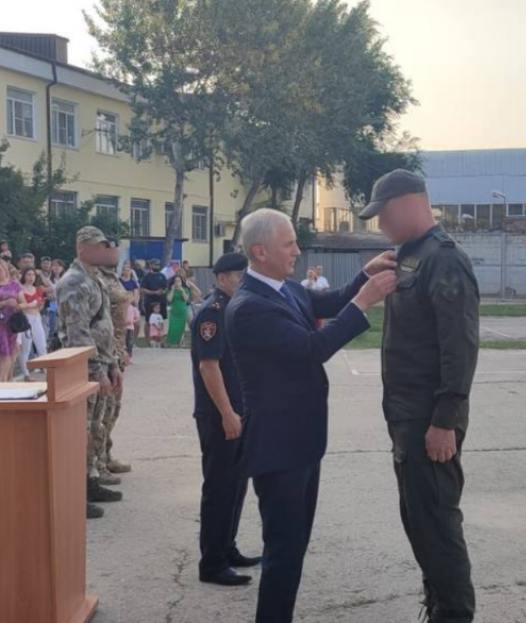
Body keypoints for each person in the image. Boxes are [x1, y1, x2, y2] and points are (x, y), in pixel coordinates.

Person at [225, 209, 397, 623]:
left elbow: (326, 300)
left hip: (300, 441)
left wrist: (362, 276)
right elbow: (311, 348)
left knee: (293, 545)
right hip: (279, 446)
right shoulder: (250, 305)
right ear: (259, 251)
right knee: (283, 551)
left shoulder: (282, 288)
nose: (298, 251)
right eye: (289, 244)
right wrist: (365, 301)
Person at [359, 169, 479, 623]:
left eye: (384, 214)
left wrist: (445, 420)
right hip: (407, 418)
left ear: (412, 203)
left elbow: (459, 345)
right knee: (421, 524)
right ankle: (438, 606)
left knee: (438, 526)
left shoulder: (443, 259)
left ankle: (453, 614)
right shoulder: (408, 256)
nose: (380, 224)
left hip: (430, 420)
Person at [192, 252, 262, 587]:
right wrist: (227, 413)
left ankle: (227, 547)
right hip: (220, 413)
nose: (243, 282)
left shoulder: (233, 308)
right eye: (238, 277)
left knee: (236, 484)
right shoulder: (213, 312)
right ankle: (213, 563)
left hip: (238, 409)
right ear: (221, 278)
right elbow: (209, 367)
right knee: (220, 487)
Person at [56, 226, 123, 519]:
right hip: (82, 368)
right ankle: (75, 490)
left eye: (104, 245)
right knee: (80, 430)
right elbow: (78, 331)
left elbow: (104, 325)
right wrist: (97, 370)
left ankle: (91, 479)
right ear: (81, 247)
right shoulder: (73, 281)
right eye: (97, 246)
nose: (101, 250)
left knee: (96, 425)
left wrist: (113, 363)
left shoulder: (94, 278)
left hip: (102, 362)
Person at [96, 238, 133, 484]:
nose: (117, 251)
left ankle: (106, 454)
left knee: (113, 408)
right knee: (101, 410)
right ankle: (96, 464)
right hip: (103, 352)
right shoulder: (93, 278)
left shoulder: (112, 276)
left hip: (117, 349)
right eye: (111, 248)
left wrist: (122, 348)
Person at [0, 259, 23, 382]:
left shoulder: (15, 284)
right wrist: (5, 303)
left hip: (12, 323)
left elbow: (23, 302)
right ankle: (1, 381)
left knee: (12, 352)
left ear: (6, 270)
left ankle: (6, 380)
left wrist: (20, 306)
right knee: (4, 352)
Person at [17, 268, 47, 382]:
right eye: (28, 274)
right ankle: (26, 373)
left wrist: (35, 305)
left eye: (33, 275)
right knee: (26, 348)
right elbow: (22, 304)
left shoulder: (37, 289)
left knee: (42, 345)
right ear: (24, 276)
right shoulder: (20, 288)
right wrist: (32, 304)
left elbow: (40, 305)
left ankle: (46, 369)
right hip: (26, 318)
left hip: (37, 317)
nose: (31, 277)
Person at [140, 259, 168, 342]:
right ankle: (148, 340)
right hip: (150, 301)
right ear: (151, 265)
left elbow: (166, 287)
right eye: (155, 265)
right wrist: (153, 292)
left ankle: (159, 339)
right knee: (148, 320)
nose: (157, 266)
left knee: (160, 320)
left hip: (161, 301)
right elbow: (142, 289)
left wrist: (163, 291)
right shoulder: (147, 277)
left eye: (158, 265)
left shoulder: (162, 276)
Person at [166, 275, 190, 347]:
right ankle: (171, 343)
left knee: (181, 328)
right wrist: (173, 290)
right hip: (174, 312)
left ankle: (181, 343)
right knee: (172, 327)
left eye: (179, 281)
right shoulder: (170, 290)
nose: (177, 283)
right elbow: (169, 300)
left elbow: (186, 299)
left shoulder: (185, 289)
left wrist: (182, 290)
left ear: (181, 282)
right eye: (175, 281)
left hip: (182, 311)